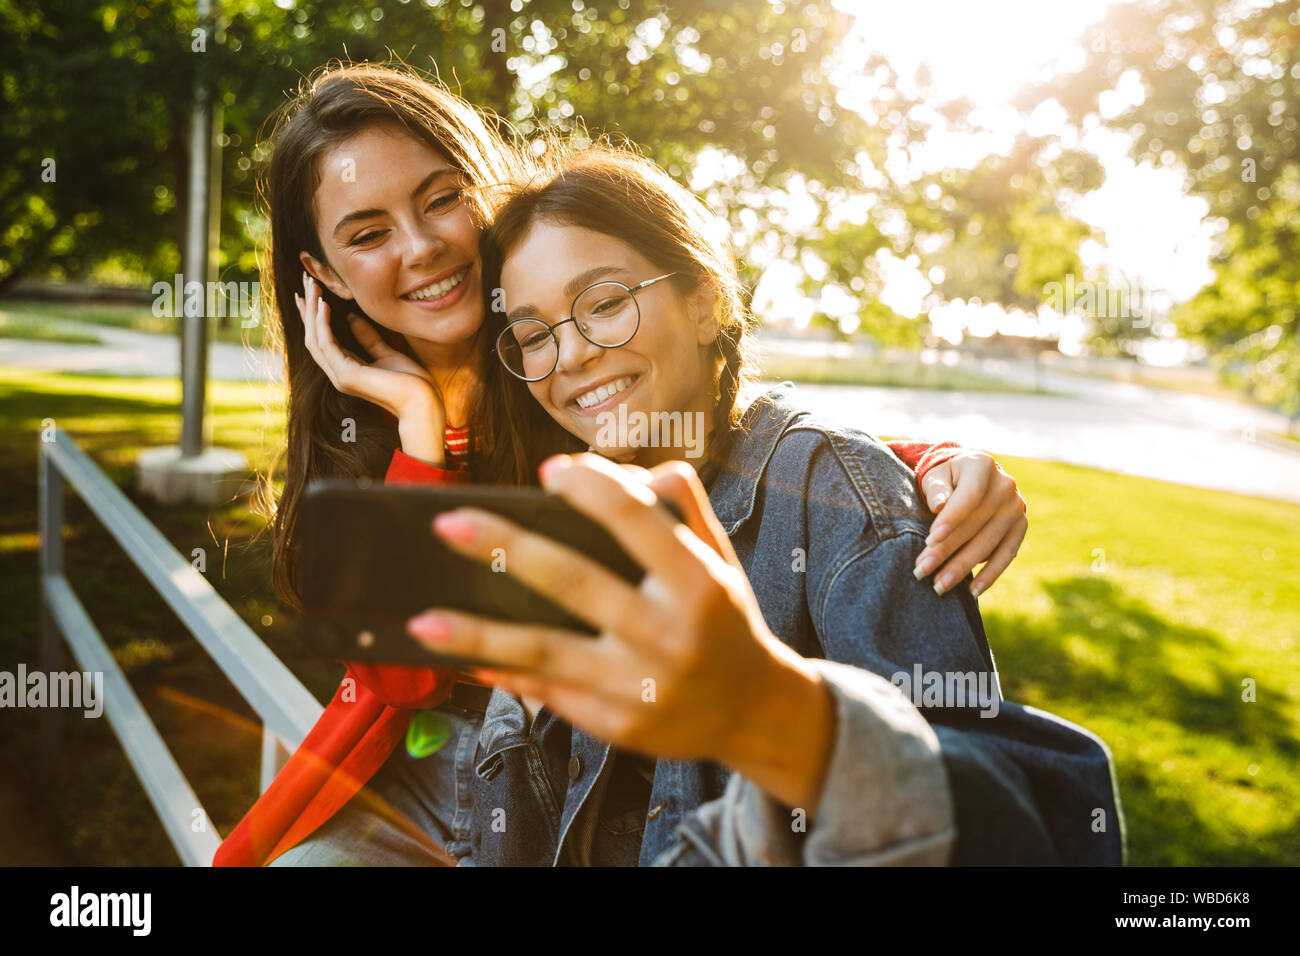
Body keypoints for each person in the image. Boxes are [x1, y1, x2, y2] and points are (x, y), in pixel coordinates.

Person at [215, 64, 1032, 866]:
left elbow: (731, 432)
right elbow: (399, 668)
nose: (423, 246)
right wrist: (419, 425)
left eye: (441, 199)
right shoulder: (409, 408)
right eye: (367, 233)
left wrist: (926, 465)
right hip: (453, 786)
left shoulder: (553, 369)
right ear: (319, 273)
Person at [388, 143, 1124, 865]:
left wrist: (772, 712)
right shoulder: (574, 504)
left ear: (705, 303)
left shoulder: (839, 498)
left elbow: (1007, 814)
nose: (571, 355)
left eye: (605, 304)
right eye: (533, 334)